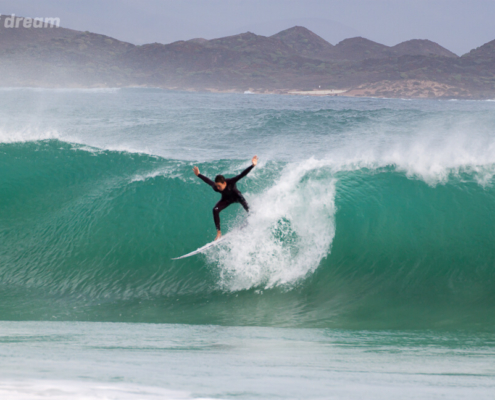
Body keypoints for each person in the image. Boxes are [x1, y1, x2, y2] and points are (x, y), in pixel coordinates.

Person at [193, 155, 258, 241]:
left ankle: (253, 217)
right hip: (226, 200)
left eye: (219, 186)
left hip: (237, 197)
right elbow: (209, 181)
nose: (217, 188)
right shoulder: (216, 187)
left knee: (247, 207)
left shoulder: (231, 182)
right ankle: (219, 233)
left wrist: (252, 165)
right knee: (215, 209)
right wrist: (199, 175)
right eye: (217, 186)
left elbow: (242, 174)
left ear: (224, 183)